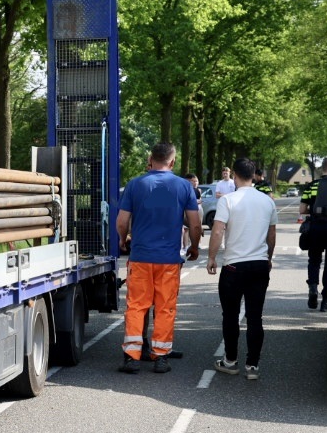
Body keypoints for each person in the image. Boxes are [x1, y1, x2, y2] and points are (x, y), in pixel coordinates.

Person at [116, 141, 202, 374]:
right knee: (165, 307)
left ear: (150, 159)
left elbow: (122, 221)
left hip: (141, 257)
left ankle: (132, 356)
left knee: (136, 306)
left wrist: (123, 241)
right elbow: (194, 224)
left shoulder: (135, 185)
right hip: (169, 259)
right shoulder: (184, 187)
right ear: (172, 161)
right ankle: (161, 356)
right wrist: (194, 247)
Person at [206, 158, 277, 380]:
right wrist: (268, 257)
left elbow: (217, 232)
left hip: (234, 266)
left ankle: (230, 360)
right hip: (258, 264)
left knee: (230, 315)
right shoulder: (267, 201)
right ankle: (253, 366)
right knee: (256, 316)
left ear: (235, 175)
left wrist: (211, 257)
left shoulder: (228, 200)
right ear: (254, 175)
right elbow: (272, 235)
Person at [299, 156, 327, 310]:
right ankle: (326, 300)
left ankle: (312, 288)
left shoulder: (311, 185)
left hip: (314, 227)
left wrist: (315, 210)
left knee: (314, 260)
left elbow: (302, 210)